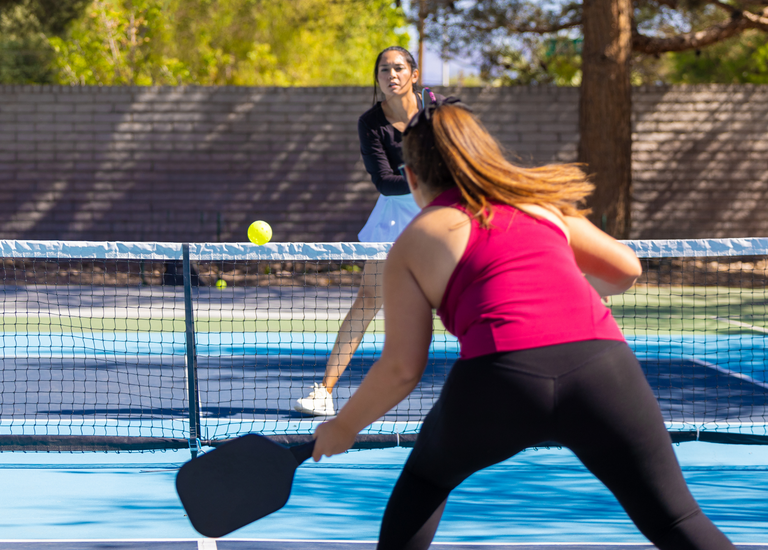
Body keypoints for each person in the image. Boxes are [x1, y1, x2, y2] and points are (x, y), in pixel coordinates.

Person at [311, 98, 736, 549]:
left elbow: (402, 368)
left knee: (425, 482)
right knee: (676, 519)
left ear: (411, 177)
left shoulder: (414, 241)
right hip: (602, 368)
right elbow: (626, 270)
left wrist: (344, 427)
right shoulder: (539, 204)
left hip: (501, 379)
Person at [294, 46, 425, 416]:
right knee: (368, 299)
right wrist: (429, 180)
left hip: (442, 214)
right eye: (384, 69)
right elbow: (383, 182)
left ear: (414, 74)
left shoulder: (438, 109)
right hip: (394, 218)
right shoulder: (371, 123)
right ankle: (324, 391)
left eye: (399, 68)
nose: (391, 75)